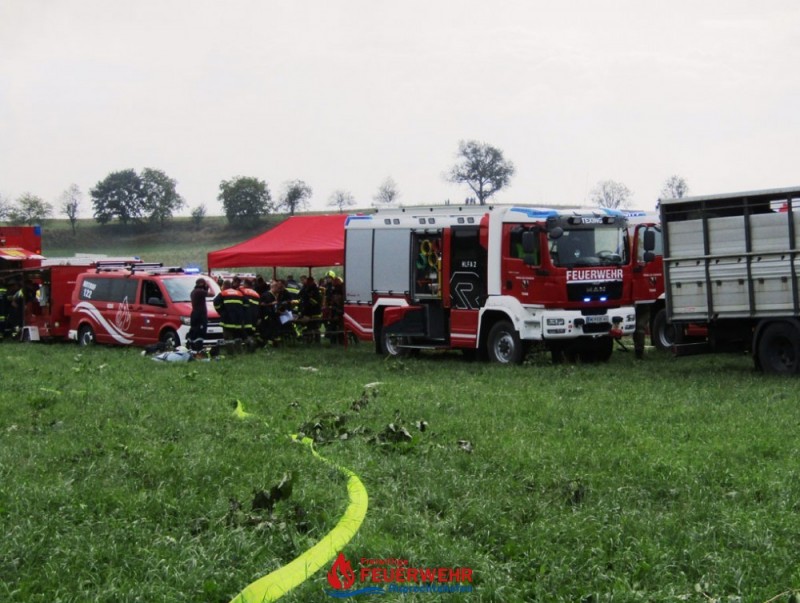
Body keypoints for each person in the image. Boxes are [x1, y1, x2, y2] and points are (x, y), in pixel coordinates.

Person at [188, 278, 209, 350]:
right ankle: (198, 348)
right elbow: (212, 294)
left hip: (194, 314)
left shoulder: (193, 291)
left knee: (194, 331)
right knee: (200, 332)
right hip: (201, 315)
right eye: (204, 283)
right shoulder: (200, 291)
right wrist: (208, 286)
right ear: (201, 283)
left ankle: (192, 346)